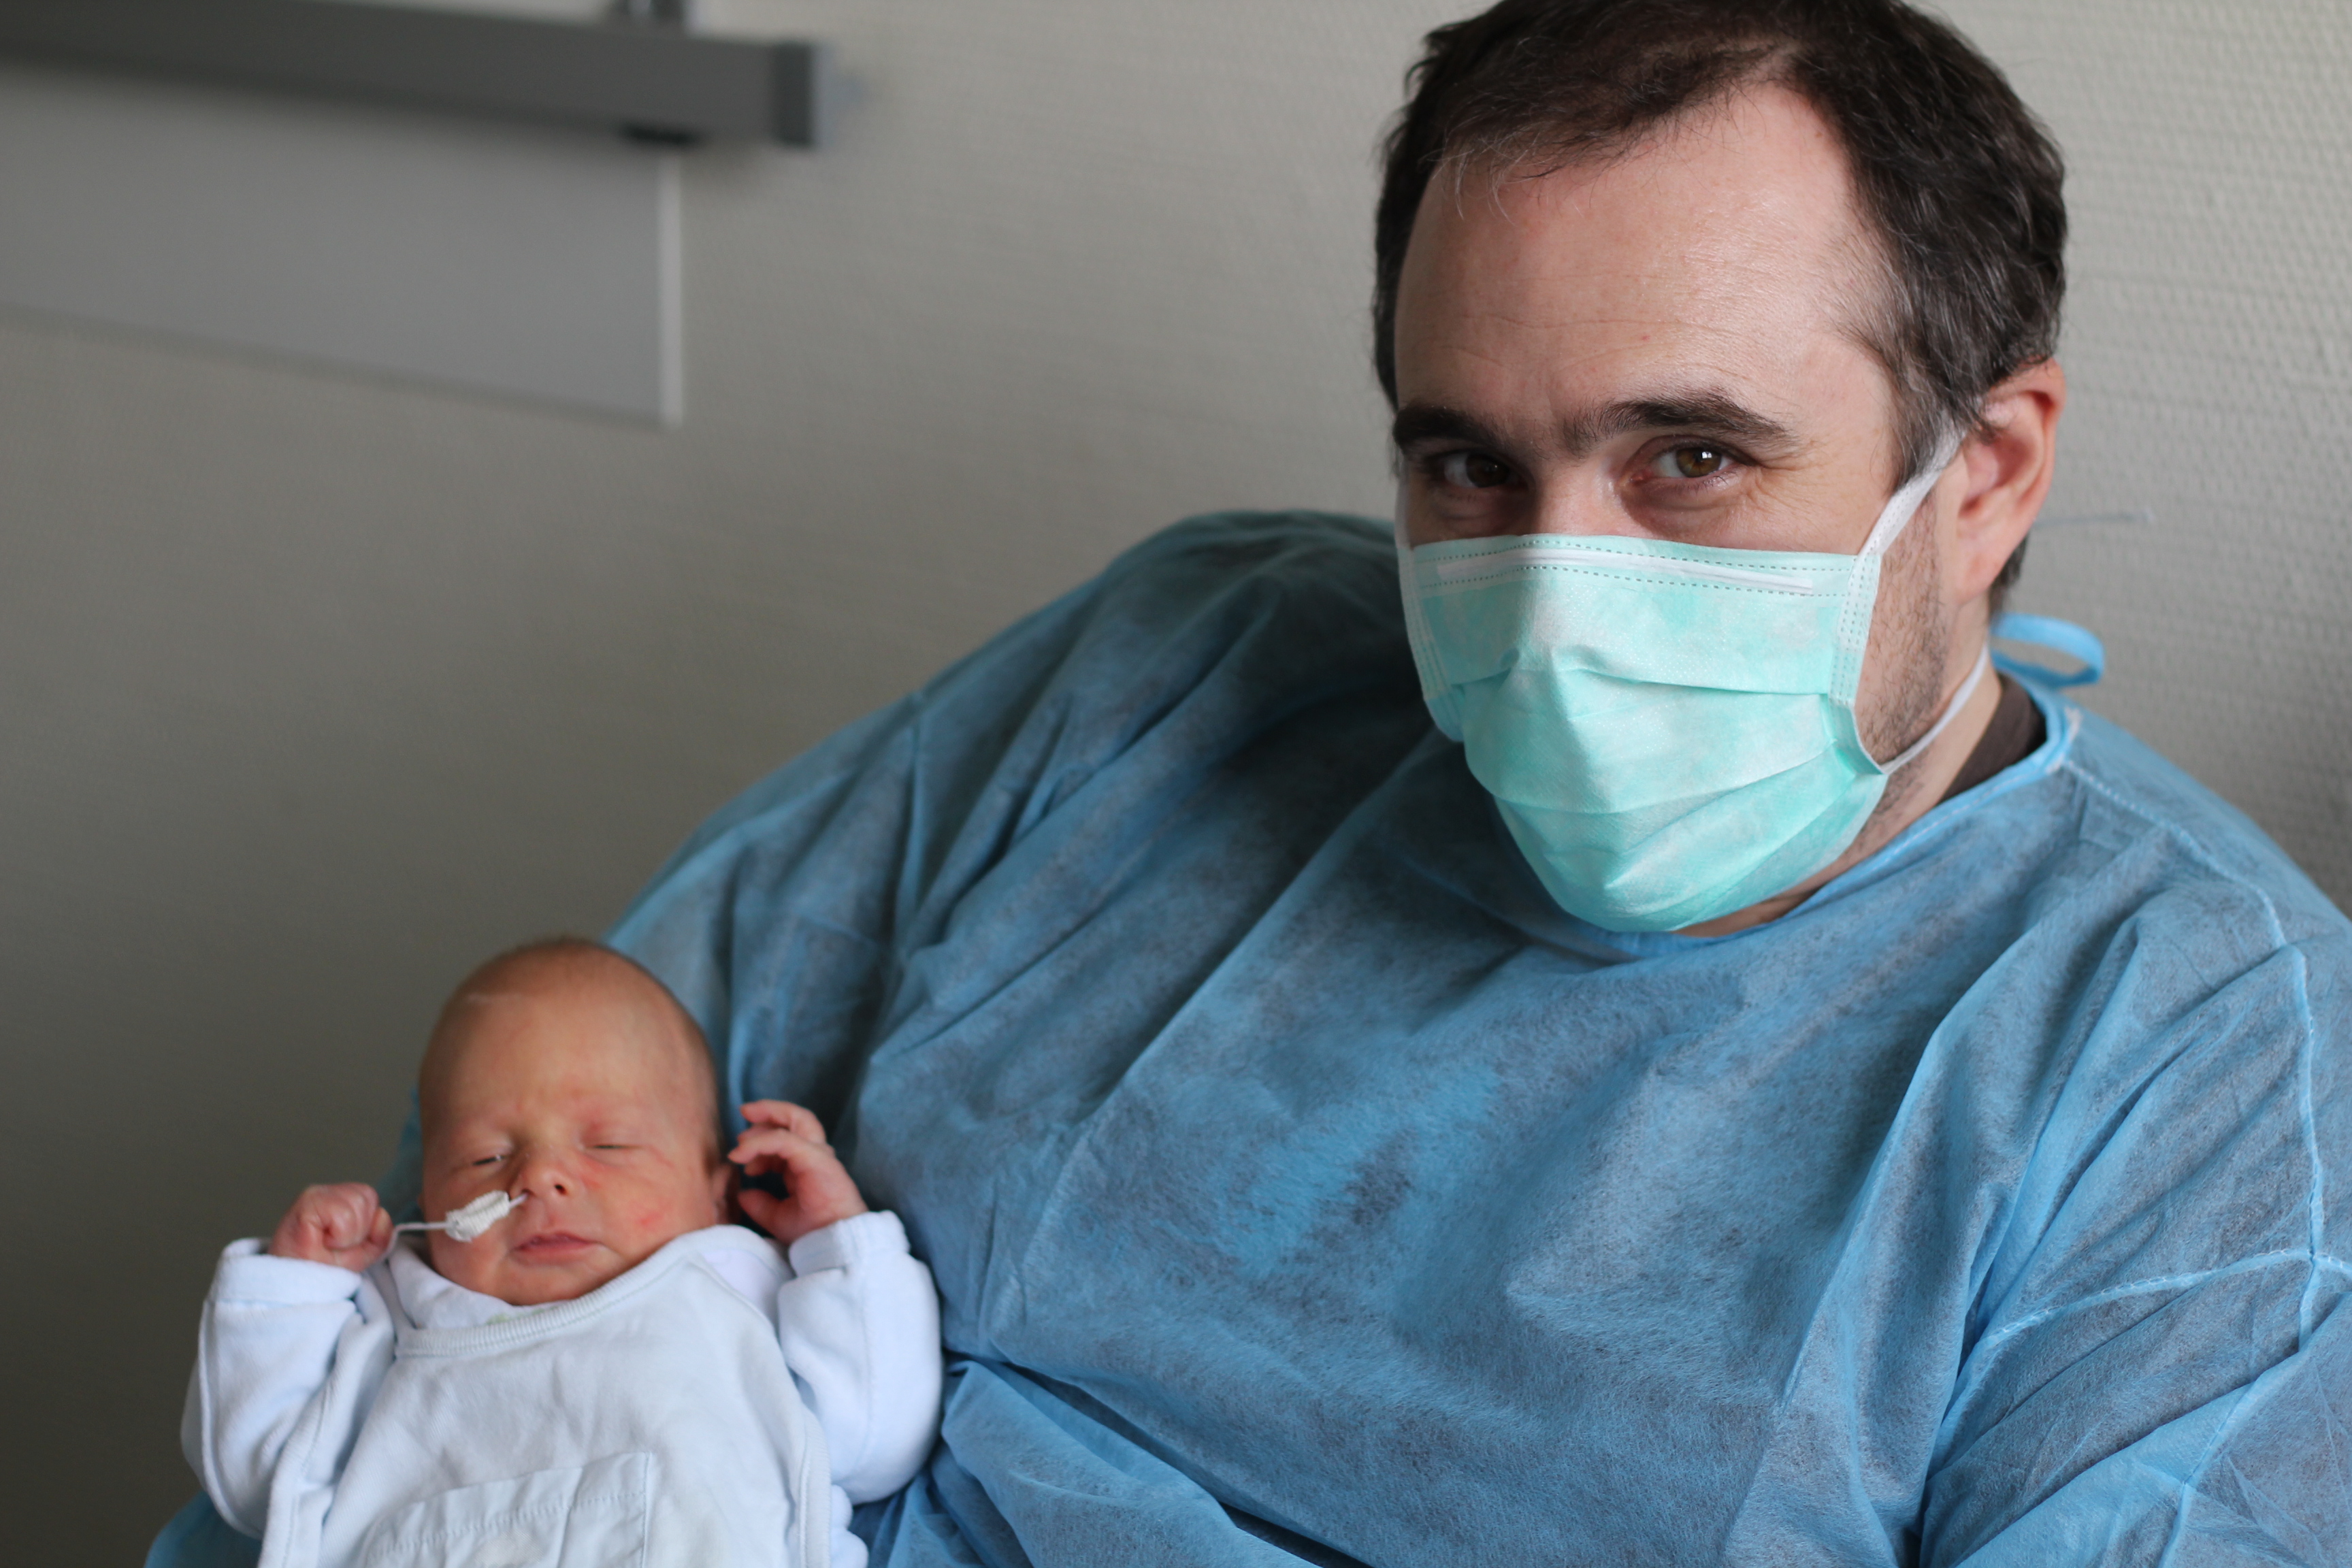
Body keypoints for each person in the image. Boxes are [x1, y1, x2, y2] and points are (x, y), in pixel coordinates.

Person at [149, 1, 2352, 1564]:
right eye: (1465, 463)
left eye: (1689, 457)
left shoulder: (2189, 1052)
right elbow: (519, 1188)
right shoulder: (1187, 667)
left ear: (1983, 473)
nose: (1552, 595)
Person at [180, 940, 942, 1568]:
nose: (539, 1177)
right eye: (484, 1158)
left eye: (609, 1145)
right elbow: (256, 1482)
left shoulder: (737, 1291)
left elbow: (878, 1438)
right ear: (429, 1197)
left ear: (716, 1195)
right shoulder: (391, 1322)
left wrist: (839, 1243)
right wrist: (295, 1289)